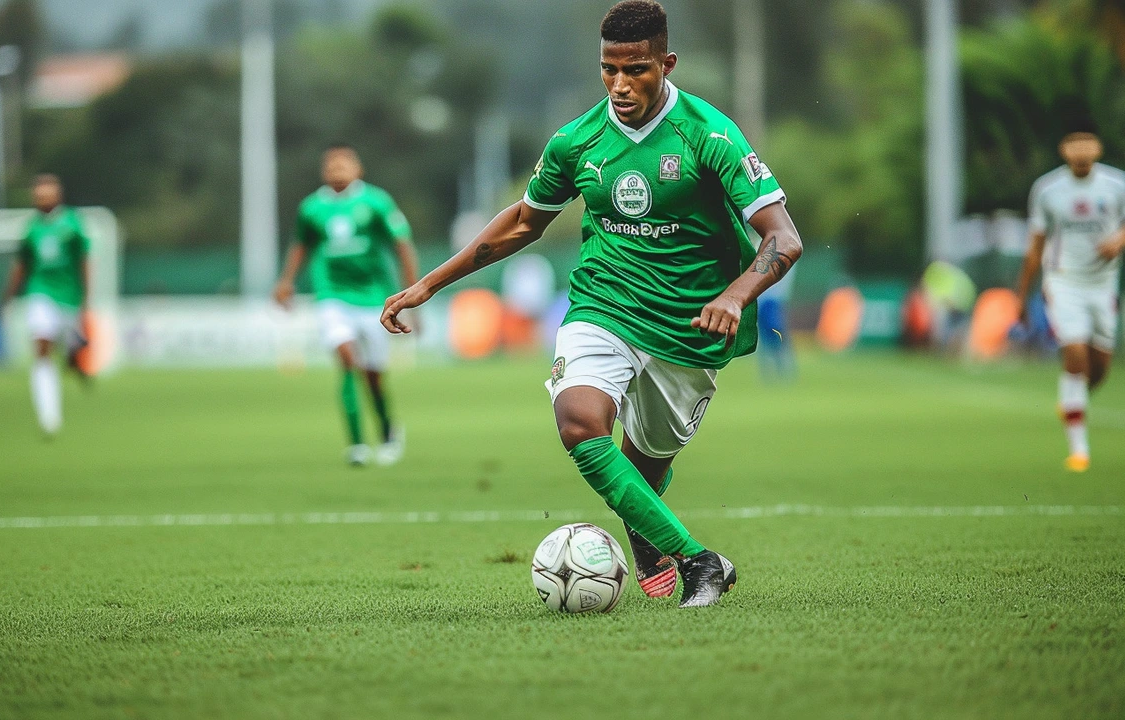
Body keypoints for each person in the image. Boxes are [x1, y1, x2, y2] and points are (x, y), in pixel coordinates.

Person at [381, 0, 802, 608]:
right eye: (609, 70)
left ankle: (650, 534)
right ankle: (700, 562)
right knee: (580, 422)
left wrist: (735, 296)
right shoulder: (577, 140)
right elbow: (524, 221)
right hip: (602, 303)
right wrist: (430, 285)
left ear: (667, 63)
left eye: (636, 70)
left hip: (688, 326)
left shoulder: (709, 135)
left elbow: (782, 236)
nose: (620, 84)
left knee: (645, 467)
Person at [275, 145, 420, 467]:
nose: (337, 170)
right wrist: (286, 282)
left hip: (373, 298)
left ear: (358, 169)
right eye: (331, 165)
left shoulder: (376, 202)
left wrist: (414, 294)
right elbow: (301, 244)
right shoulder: (312, 208)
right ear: (323, 171)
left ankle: (387, 430)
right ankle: (356, 444)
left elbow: (402, 243)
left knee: (373, 376)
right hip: (331, 295)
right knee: (346, 358)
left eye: (344, 164)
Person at [1016, 120, 1125, 472]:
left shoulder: (1116, 185)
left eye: (1087, 143)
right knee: (1075, 355)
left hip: (1103, 284)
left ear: (1097, 148)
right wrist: (1021, 296)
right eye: (1073, 143)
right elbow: (1036, 245)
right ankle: (1079, 450)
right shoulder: (1048, 189)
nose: (1081, 150)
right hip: (1064, 282)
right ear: (1064, 150)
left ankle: (1071, 401)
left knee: (1100, 370)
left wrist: (1119, 240)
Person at [0, 174, 93, 437]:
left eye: (46, 195)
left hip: (69, 297)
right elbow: (21, 265)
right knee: (42, 350)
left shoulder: (73, 224)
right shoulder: (31, 229)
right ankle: (49, 416)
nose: (41, 200)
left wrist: (86, 299)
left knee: (70, 352)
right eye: (38, 196)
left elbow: (84, 261)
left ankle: (76, 363)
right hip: (40, 294)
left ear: (57, 196)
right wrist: (7, 297)